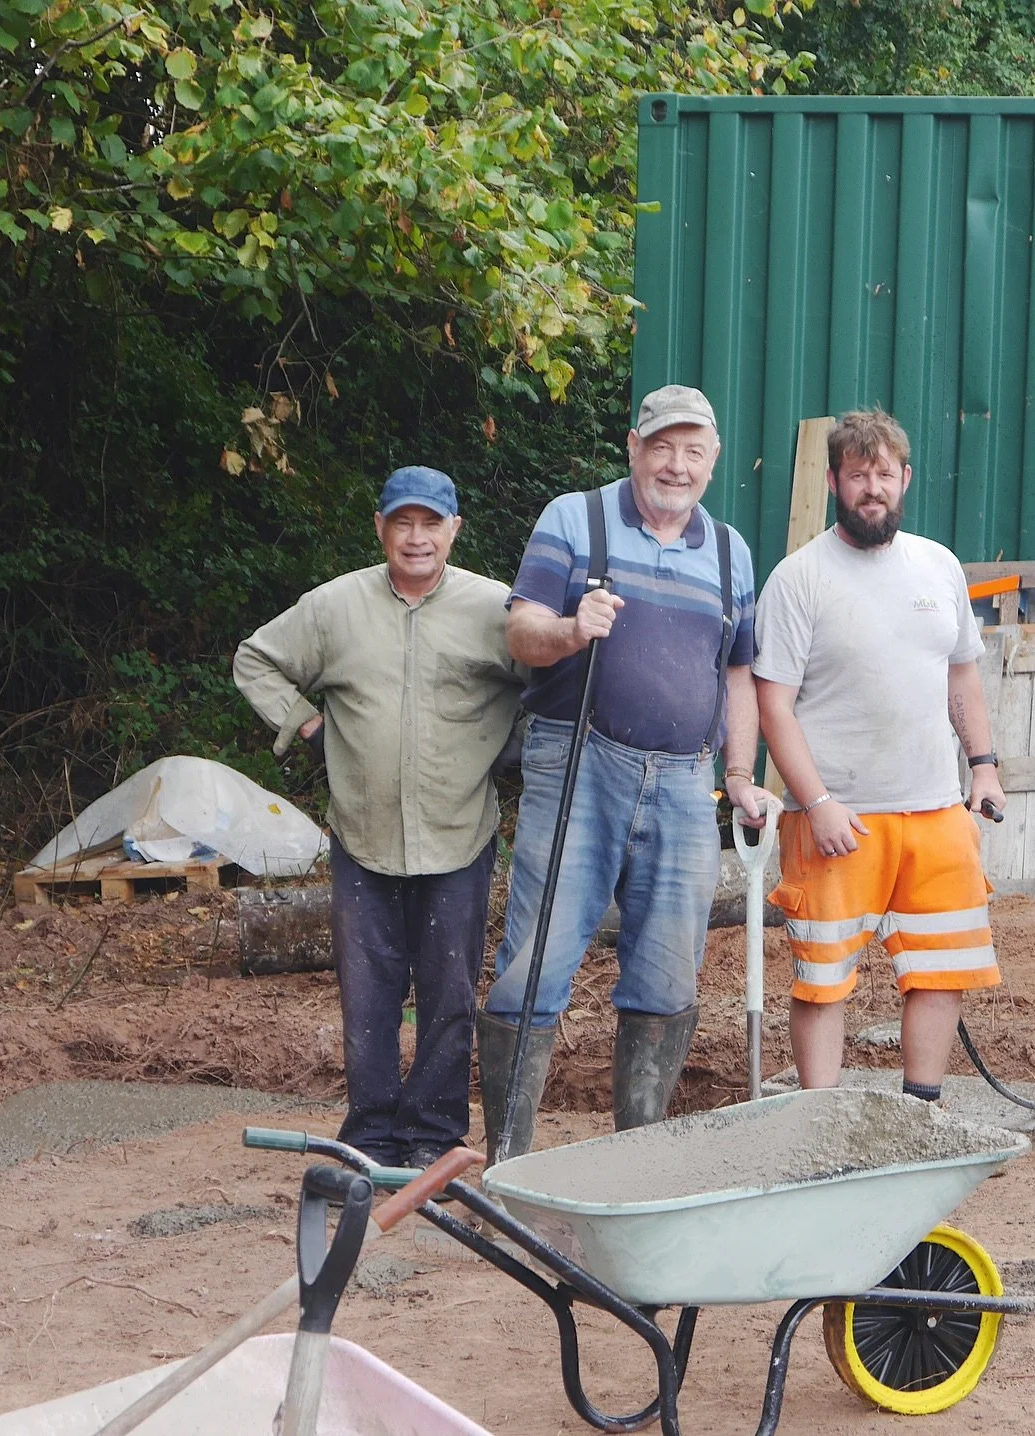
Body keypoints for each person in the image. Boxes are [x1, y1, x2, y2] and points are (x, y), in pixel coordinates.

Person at [479, 384, 773, 1158]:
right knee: (533, 969)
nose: (676, 466)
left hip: (685, 782)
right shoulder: (577, 519)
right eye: (662, 447)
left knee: (669, 978)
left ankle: (634, 1164)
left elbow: (739, 675)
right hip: (580, 764)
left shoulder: (731, 550)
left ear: (713, 462)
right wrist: (573, 629)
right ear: (634, 447)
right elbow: (520, 631)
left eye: (693, 451)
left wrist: (739, 774)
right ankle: (507, 1166)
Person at [234, 466, 524, 1167]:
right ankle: (369, 1135)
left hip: (459, 832)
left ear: (455, 530)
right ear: (380, 528)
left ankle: (431, 1136)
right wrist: (305, 725)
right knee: (368, 991)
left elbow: (545, 683)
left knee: (449, 991)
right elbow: (256, 660)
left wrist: (510, 750)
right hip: (362, 834)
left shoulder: (497, 608)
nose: (416, 538)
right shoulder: (335, 607)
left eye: (432, 524)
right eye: (403, 522)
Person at [752, 408, 1005, 1103]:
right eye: (858, 475)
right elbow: (774, 704)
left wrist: (983, 765)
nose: (873, 488)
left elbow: (962, 676)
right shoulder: (799, 578)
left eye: (884, 475)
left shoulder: (938, 566)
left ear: (906, 480)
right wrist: (820, 802)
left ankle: (918, 1114)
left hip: (935, 813)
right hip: (837, 821)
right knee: (824, 977)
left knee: (941, 972)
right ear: (834, 481)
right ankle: (821, 1121)